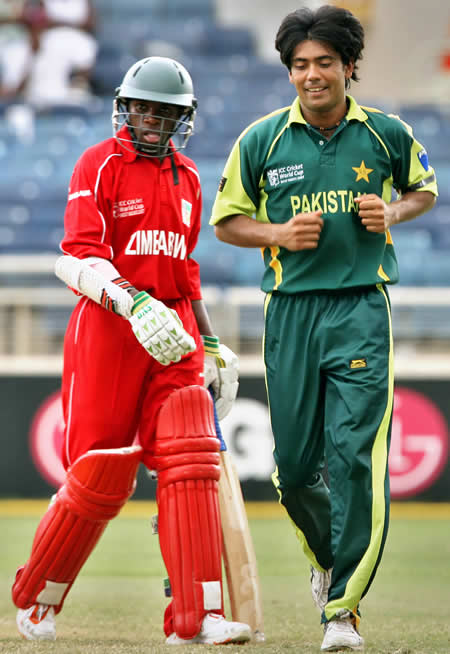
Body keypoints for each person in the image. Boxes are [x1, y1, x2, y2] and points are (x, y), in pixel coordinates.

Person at [210, 5, 438, 652]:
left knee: (355, 460)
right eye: (301, 65)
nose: (313, 75)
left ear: (349, 67)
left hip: (362, 309)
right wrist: (278, 232)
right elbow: (226, 222)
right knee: (292, 468)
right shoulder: (261, 140)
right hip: (289, 314)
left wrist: (392, 210)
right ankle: (330, 564)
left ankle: (342, 611)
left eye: (325, 63)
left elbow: (425, 189)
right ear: (289, 73)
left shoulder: (387, 133)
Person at [11, 55, 251, 647]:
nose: (150, 119)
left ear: (181, 119)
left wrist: (212, 341)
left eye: (164, 111)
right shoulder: (98, 163)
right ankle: (37, 595)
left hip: (174, 336)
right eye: (142, 107)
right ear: (126, 107)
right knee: (100, 478)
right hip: (110, 332)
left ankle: (199, 617)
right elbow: (77, 255)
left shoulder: (191, 177)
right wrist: (134, 305)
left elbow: (186, 269)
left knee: (192, 459)